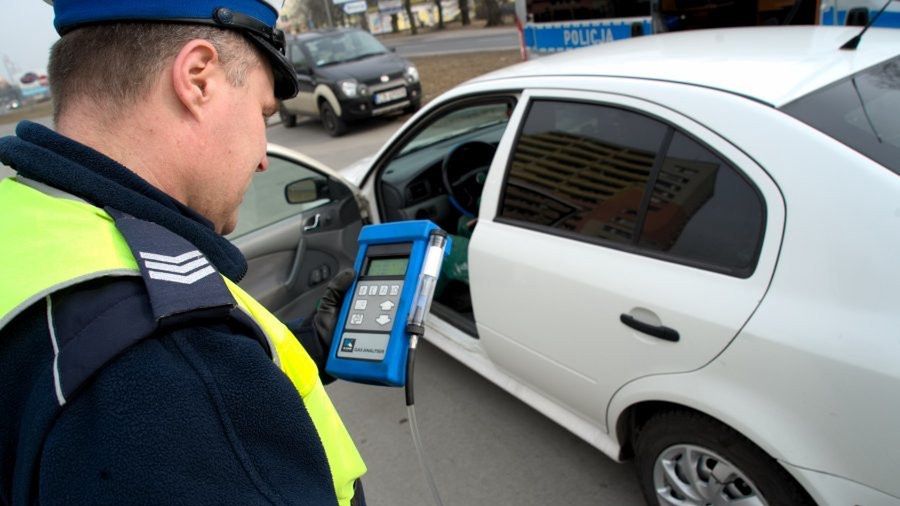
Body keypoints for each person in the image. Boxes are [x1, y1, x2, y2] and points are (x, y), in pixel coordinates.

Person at [0, 1, 368, 504]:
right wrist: (223, 371)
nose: (263, 158)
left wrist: (302, 350)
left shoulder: (27, 213)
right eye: (263, 114)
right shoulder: (173, 365)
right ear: (198, 79)